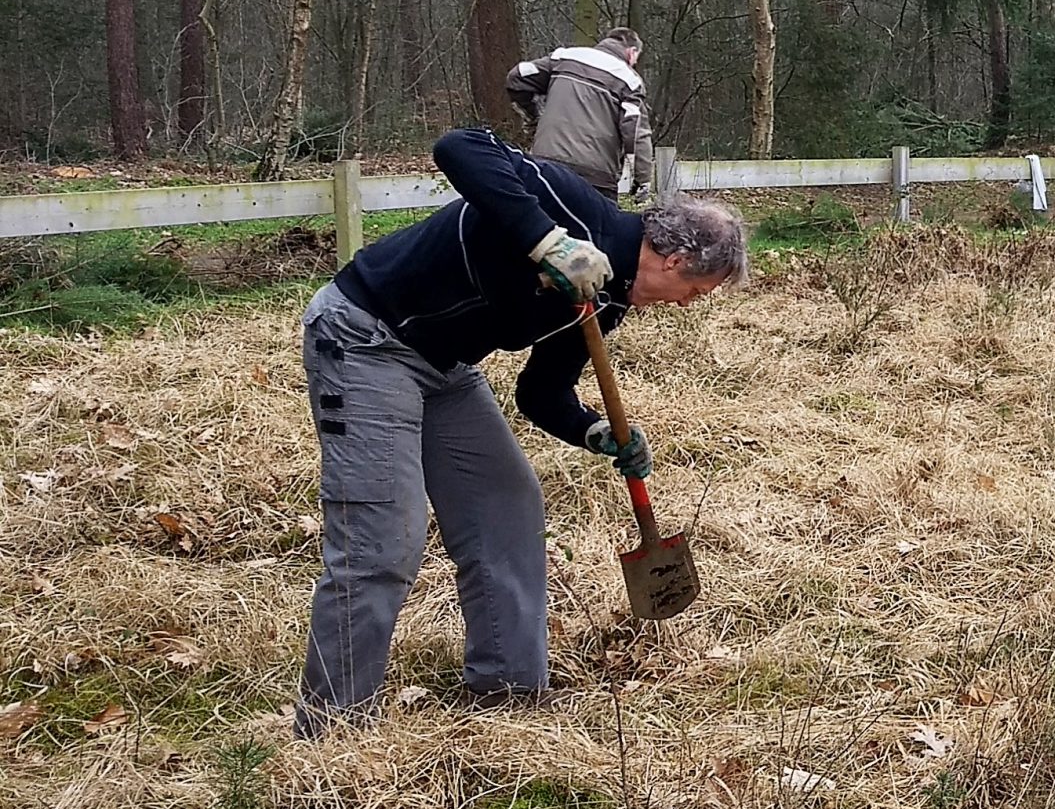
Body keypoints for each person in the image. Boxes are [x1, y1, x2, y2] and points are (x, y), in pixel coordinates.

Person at [293, 127, 748, 736]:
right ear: (675, 261)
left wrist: (592, 431)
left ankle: (508, 695)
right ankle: (331, 731)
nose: (688, 303)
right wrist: (547, 244)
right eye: (695, 290)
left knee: (509, 504)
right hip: (364, 337)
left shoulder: (605, 300)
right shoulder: (572, 205)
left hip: (444, 368)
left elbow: (541, 392)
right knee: (384, 540)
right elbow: (459, 147)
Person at [506, 28, 656, 201]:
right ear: (632, 52)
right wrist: (642, 179)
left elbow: (517, 76)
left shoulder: (564, 58)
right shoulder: (629, 80)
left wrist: (534, 117)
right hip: (594, 176)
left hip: (543, 166)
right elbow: (636, 132)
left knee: (541, 225)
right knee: (591, 227)